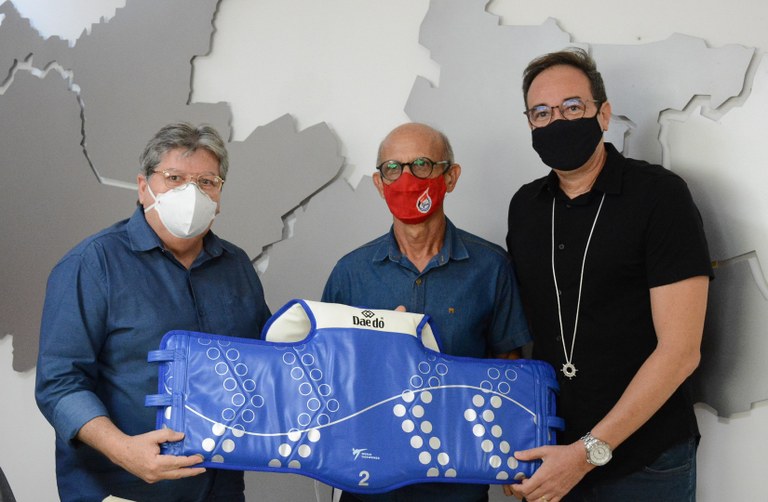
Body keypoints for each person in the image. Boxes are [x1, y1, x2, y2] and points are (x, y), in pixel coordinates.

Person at [505, 48, 711, 501]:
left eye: (572, 107)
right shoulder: (525, 208)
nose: (557, 121)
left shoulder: (660, 196)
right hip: (552, 451)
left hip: (647, 460)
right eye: (542, 113)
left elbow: (680, 352)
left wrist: (585, 454)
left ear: (603, 114)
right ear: (530, 124)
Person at [35, 122, 271, 502]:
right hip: (120, 487)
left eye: (206, 182)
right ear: (144, 187)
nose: (192, 193)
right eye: (174, 178)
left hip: (218, 487)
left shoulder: (237, 266)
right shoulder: (93, 264)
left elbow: (266, 361)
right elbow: (60, 384)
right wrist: (123, 450)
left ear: (219, 194)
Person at [322, 122, 531, 501]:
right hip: (368, 481)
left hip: (459, 482)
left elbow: (509, 370)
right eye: (392, 168)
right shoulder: (350, 273)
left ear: (450, 177)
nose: (406, 179)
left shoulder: (491, 267)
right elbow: (326, 376)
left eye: (421, 164)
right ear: (378, 183)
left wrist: (512, 454)